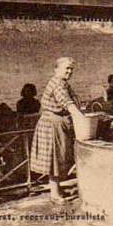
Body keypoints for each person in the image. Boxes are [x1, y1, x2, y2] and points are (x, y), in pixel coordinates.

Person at [30, 57, 85, 204]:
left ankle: (57, 189)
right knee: (55, 159)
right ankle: (54, 194)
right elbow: (67, 104)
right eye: (66, 68)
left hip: (58, 123)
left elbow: (72, 102)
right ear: (56, 69)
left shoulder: (63, 83)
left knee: (60, 157)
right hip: (52, 125)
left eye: (71, 69)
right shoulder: (57, 84)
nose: (69, 71)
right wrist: (83, 119)